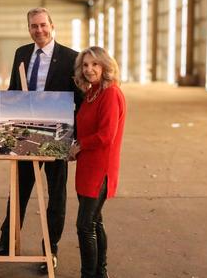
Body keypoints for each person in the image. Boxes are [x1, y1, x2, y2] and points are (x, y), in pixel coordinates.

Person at [0, 7, 82, 274]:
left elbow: (80, 102)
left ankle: (51, 250)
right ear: (29, 29)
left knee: (56, 195)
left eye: (42, 25)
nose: (39, 30)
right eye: (33, 26)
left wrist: (77, 141)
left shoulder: (71, 58)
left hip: (58, 135)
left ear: (52, 25)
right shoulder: (21, 54)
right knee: (18, 191)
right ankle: (7, 243)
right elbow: (14, 91)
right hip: (24, 135)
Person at [68, 46, 126, 278]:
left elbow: (106, 135)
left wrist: (79, 146)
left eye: (95, 64)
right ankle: (100, 272)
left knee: (84, 226)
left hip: (100, 168)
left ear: (105, 66)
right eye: (85, 65)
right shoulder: (92, 93)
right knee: (94, 222)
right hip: (86, 165)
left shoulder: (111, 93)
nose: (90, 69)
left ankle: (88, 274)